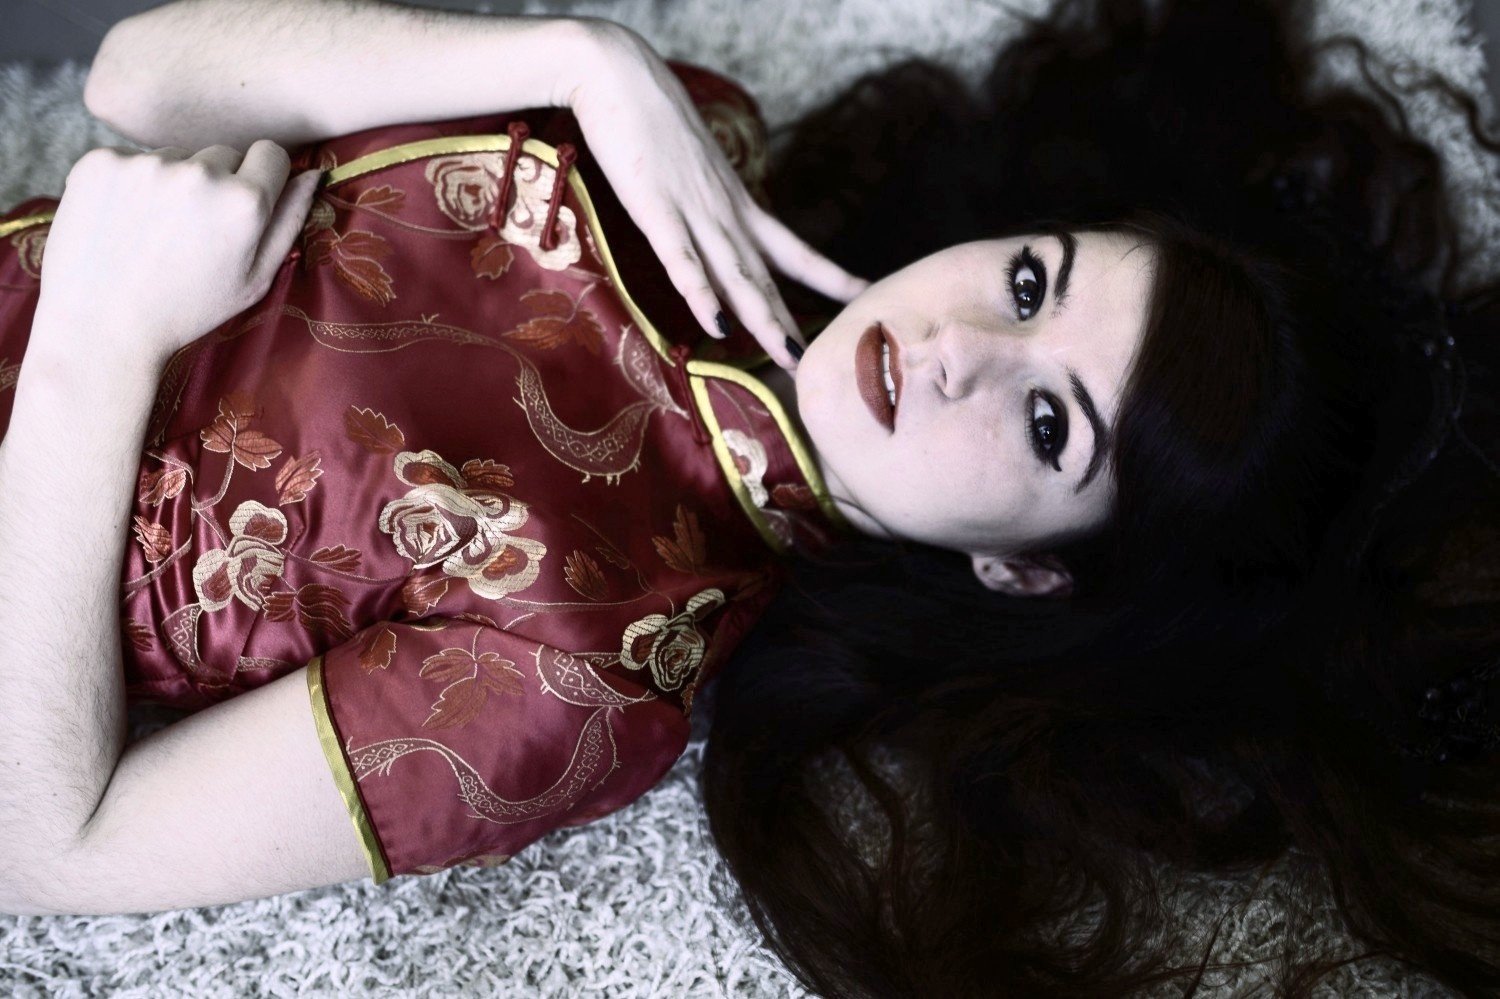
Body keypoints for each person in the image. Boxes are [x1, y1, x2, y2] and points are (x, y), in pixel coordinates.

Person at [0, 0, 1495, 995]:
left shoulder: (595, 670)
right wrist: (580, 56)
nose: (961, 350)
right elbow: (136, 75)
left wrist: (96, 344)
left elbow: (48, 845)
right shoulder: (689, 133)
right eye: (1032, 282)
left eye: (1050, 424)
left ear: (1027, 573)